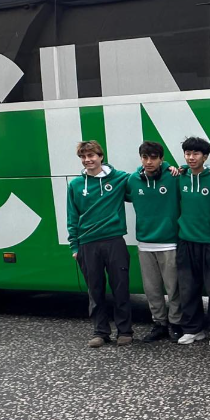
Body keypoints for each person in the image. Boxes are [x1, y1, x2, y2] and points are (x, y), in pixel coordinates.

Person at [67, 140, 132, 348]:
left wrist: (171, 168)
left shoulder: (120, 178)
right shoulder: (76, 185)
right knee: (95, 291)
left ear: (101, 156)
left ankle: (125, 331)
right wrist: (74, 247)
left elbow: (145, 178)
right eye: (83, 157)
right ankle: (100, 332)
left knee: (120, 288)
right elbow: (72, 217)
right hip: (87, 244)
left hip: (114, 241)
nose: (88, 160)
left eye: (91, 156)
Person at [125, 141, 183, 343]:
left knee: (173, 288)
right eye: (145, 157)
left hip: (169, 243)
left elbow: (197, 173)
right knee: (152, 290)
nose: (149, 162)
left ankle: (176, 323)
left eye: (153, 158)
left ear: (161, 159)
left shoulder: (173, 176)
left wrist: (173, 168)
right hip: (145, 244)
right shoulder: (133, 180)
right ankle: (159, 323)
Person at [175, 136, 210, 346]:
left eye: (195, 154)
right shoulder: (180, 177)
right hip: (186, 241)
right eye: (187, 153)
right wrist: (172, 167)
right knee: (187, 288)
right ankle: (193, 329)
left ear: (205, 156)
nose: (191, 157)